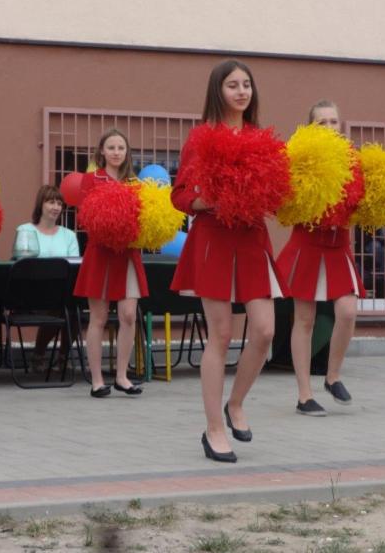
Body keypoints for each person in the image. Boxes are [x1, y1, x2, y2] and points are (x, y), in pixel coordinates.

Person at [170, 59, 287, 463]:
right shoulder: (200, 137)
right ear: (218, 91)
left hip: (252, 239)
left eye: (247, 85)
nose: (241, 91)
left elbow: (278, 189)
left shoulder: (261, 138)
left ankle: (235, 403)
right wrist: (207, 201)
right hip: (213, 240)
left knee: (265, 331)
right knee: (219, 335)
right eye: (233, 85)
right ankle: (213, 429)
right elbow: (180, 195)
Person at [276, 100, 365, 417]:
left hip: (338, 246)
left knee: (348, 311)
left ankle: (333, 376)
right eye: (322, 122)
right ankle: (304, 395)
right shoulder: (299, 158)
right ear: (310, 128)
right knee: (305, 320)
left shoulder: (352, 161)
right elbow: (285, 202)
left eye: (333, 121)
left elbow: (358, 203)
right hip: (307, 245)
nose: (329, 127)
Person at [73, 128, 148, 398]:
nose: (116, 152)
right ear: (101, 151)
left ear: (127, 153)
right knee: (99, 317)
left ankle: (122, 376)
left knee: (129, 315)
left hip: (128, 255)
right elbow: (86, 217)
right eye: (111, 147)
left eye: (121, 148)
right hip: (101, 253)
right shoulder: (91, 179)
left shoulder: (135, 183)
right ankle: (96, 380)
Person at [15, 185, 80, 371]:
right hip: (29, 296)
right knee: (59, 307)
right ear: (40, 204)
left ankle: (63, 357)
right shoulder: (25, 230)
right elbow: (21, 266)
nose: (56, 207)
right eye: (51, 202)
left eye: (59, 203)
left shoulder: (69, 235)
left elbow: (74, 267)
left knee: (72, 308)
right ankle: (39, 354)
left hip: (61, 296)